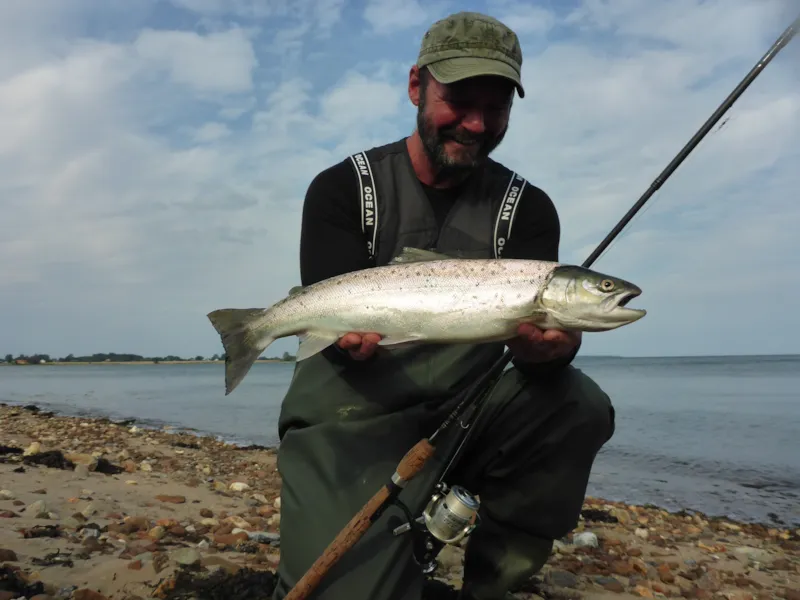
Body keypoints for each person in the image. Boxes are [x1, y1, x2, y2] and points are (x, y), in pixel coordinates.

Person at [271, 11, 616, 600]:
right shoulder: (342, 189)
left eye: (498, 106)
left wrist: (552, 353)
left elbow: (540, 357)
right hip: (355, 414)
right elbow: (333, 324)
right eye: (459, 99)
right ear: (416, 86)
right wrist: (346, 342)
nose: (477, 123)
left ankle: (493, 582)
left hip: (473, 406)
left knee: (577, 404)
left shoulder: (528, 209)